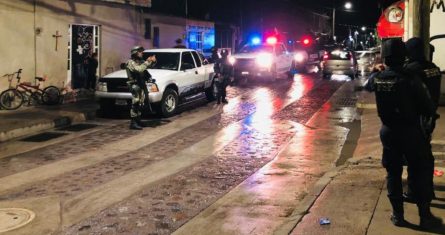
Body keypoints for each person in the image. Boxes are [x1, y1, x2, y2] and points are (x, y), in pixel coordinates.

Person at [365, 39, 441, 229]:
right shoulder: (410, 78)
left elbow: (367, 85)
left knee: (393, 173)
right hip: (411, 131)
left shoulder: (379, 77)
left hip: (389, 131)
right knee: (419, 170)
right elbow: (428, 106)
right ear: (403, 56)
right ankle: (424, 215)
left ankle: (398, 216)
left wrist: (376, 71)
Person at [403, 37, 442, 203]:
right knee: (426, 154)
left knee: (414, 156)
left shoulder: (411, 70)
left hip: (416, 118)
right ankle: (428, 189)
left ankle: (413, 192)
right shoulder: (434, 68)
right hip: (430, 117)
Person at [126, 46, 156, 130]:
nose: (142, 53)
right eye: (140, 52)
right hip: (135, 85)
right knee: (135, 103)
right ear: (135, 53)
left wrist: (152, 61)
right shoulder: (130, 62)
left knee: (140, 103)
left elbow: (149, 67)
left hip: (141, 84)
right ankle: (133, 123)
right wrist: (147, 62)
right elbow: (139, 69)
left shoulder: (139, 61)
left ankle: (138, 120)